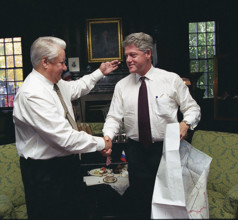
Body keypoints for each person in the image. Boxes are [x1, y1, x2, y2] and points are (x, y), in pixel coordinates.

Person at [13, 36, 119, 220]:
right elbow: (64, 138)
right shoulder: (32, 94)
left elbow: (77, 87)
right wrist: (102, 142)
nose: (65, 67)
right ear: (45, 62)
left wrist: (100, 72)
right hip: (45, 173)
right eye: (61, 62)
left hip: (66, 166)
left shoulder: (55, 84)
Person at [102, 32, 201, 219]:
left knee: (169, 199)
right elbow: (114, 117)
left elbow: (192, 108)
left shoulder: (170, 79)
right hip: (136, 151)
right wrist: (107, 138)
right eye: (126, 56)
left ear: (148, 53)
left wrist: (185, 123)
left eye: (133, 55)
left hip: (166, 150)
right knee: (140, 200)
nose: (128, 60)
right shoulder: (122, 86)